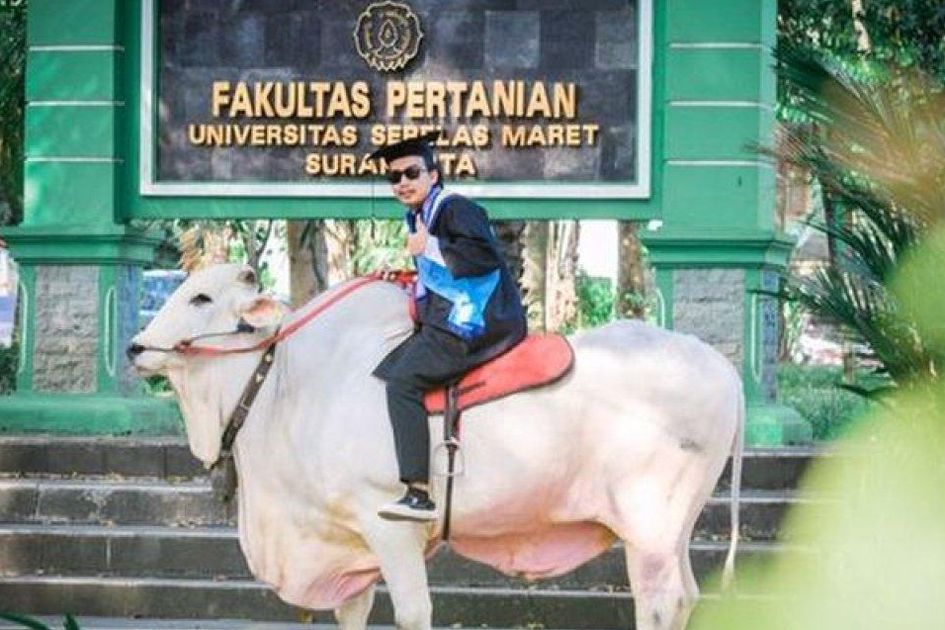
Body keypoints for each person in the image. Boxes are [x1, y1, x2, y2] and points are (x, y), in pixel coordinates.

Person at [370, 131, 527, 522]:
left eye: (412, 173)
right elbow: (442, 275)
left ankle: (418, 494)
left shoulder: (455, 208)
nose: (403, 182)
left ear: (433, 175)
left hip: (474, 325)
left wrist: (428, 248)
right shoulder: (421, 215)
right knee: (387, 366)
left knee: (402, 383)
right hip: (448, 321)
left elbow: (483, 257)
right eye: (394, 177)